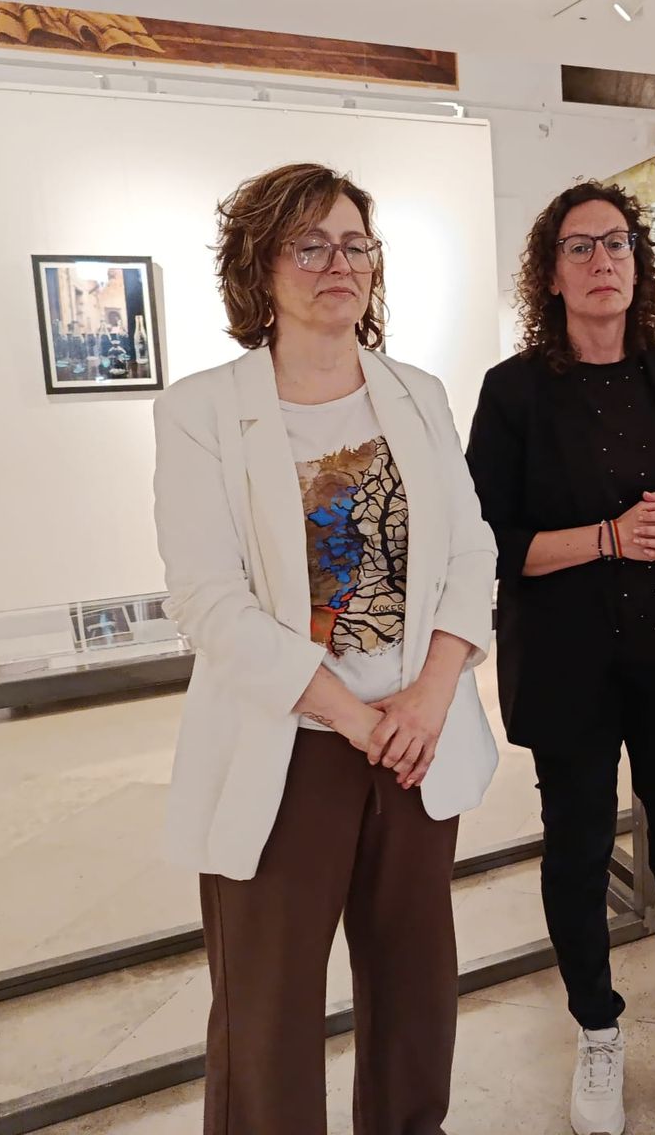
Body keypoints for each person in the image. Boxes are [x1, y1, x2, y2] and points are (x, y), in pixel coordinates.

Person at [152, 162, 499, 1135]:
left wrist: (429, 695)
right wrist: (354, 715)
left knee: (416, 998)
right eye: (308, 244)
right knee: (266, 1020)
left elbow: (471, 553)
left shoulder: (416, 394)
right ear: (260, 270)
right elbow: (207, 598)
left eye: (353, 244)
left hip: (416, 741)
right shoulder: (203, 411)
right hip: (289, 743)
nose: (335, 263)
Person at [465, 181, 655, 1135]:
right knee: (579, 852)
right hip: (567, 663)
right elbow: (493, 543)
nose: (602, 262)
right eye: (580, 248)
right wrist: (609, 538)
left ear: (640, 263)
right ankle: (597, 1032)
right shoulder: (515, 390)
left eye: (617, 244)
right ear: (550, 274)